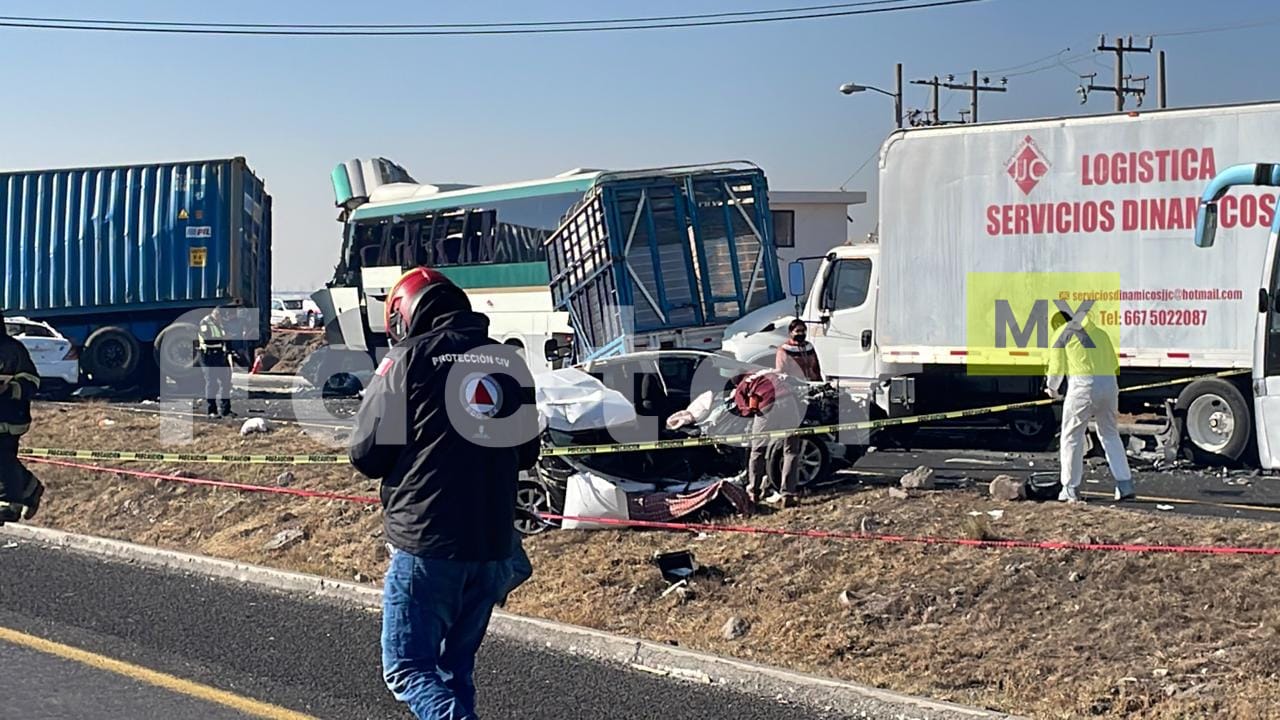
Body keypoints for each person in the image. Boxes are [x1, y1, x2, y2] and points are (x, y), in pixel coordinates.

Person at [350, 267, 539, 720]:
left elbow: (367, 453)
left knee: (408, 668)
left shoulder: (408, 358)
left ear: (404, 313)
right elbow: (527, 451)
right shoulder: (507, 361)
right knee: (454, 670)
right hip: (492, 545)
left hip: (428, 542)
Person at [1046, 309, 1134, 503]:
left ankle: (1069, 489)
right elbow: (1113, 365)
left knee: (1071, 436)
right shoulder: (1101, 334)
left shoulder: (1062, 332)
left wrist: (1052, 389)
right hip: (1109, 385)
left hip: (1082, 385)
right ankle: (1125, 484)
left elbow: (1056, 367)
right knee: (1110, 434)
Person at [735, 368, 802, 508]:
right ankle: (787, 494)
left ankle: (754, 492)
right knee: (791, 451)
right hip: (789, 401)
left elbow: (745, 409)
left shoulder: (742, 385)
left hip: (767, 404)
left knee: (757, 450)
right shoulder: (768, 371)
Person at [0, 311, 44, 525]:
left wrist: (11, 388)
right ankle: (29, 487)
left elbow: (32, 380)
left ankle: (9, 504)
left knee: (3, 459)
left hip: (9, 416)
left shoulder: (12, 350)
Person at [197, 306, 235, 418]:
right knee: (211, 383)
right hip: (208, 356)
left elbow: (227, 340)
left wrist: (230, 352)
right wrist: (223, 338)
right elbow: (208, 339)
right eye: (221, 316)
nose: (223, 319)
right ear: (216, 314)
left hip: (220, 355)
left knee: (226, 383)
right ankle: (211, 411)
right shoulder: (205, 323)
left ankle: (226, 410)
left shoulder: (222, 323)